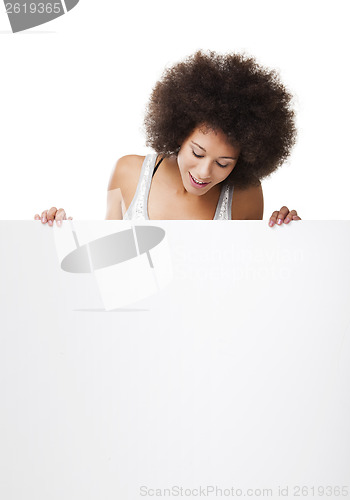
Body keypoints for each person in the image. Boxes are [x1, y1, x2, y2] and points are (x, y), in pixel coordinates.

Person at [34, 50, 301, 226]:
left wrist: (286, 236)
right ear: (179, 132)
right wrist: (60, 231)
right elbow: (106, 255)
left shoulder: (246, 192)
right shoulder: (128, 171)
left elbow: (245, 276)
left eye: (223, 163)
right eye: (197, 153)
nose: (204, 172)